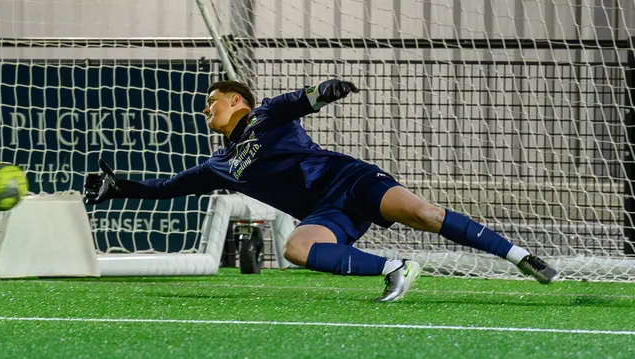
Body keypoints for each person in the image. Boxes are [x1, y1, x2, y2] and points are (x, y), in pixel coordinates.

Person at [83, 79, 559, 301]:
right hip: (326, 210)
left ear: (235, 101)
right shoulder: (219, 165)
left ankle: (521, 258)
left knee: (425, 214)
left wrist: (321, 93)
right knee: (296, 247)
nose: (205, 112)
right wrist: (117, 187)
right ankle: (397, 268)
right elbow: (168, 188)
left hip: (348, 179)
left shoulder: (264, 116)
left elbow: (294, 103)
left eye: (211, 103)